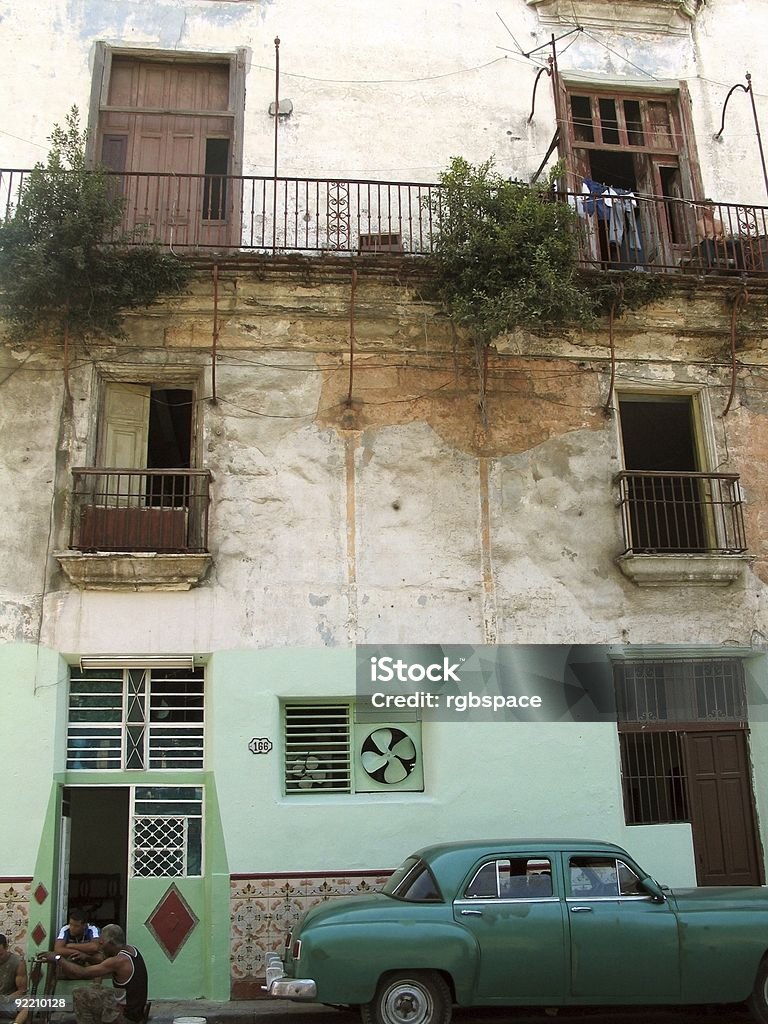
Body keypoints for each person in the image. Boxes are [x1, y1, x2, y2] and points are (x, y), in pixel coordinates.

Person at [43, 924, 147, 1024]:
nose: (100, 946)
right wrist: (87, 957)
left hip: (127, 1018)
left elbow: (82, 973)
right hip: (136, 1012)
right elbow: (103, 962)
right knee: (96, 990)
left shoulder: (118, 961)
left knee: (80, 994)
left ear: (111, 943)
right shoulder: (131, 950)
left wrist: (58, 958)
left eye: (102, 943)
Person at [0, 934, 28, 1024]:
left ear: (6, 947)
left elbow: (22, 990)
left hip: (10, 1002)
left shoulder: (18, 962)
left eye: (0, 954)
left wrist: (6, 999)